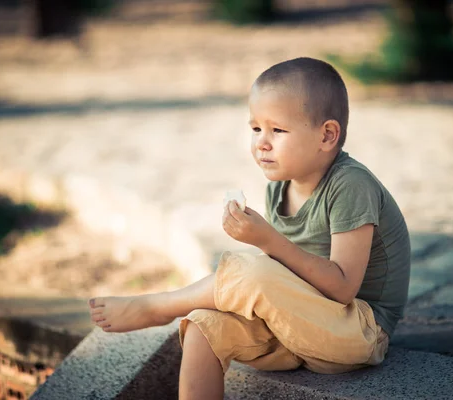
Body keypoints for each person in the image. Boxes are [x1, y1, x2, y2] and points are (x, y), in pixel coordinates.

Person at [88, 57, 411, 400]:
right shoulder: (279, 186)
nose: (262, 143)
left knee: (253, 271)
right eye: (256, 128)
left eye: (278, 130)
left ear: (327, 135)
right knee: (203, 326)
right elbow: (281, 280)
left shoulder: (350, 185)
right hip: (301, 327)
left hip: (356, 332)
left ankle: (160, 307)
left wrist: (268, 241)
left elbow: (343, 287)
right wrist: (262, 252)